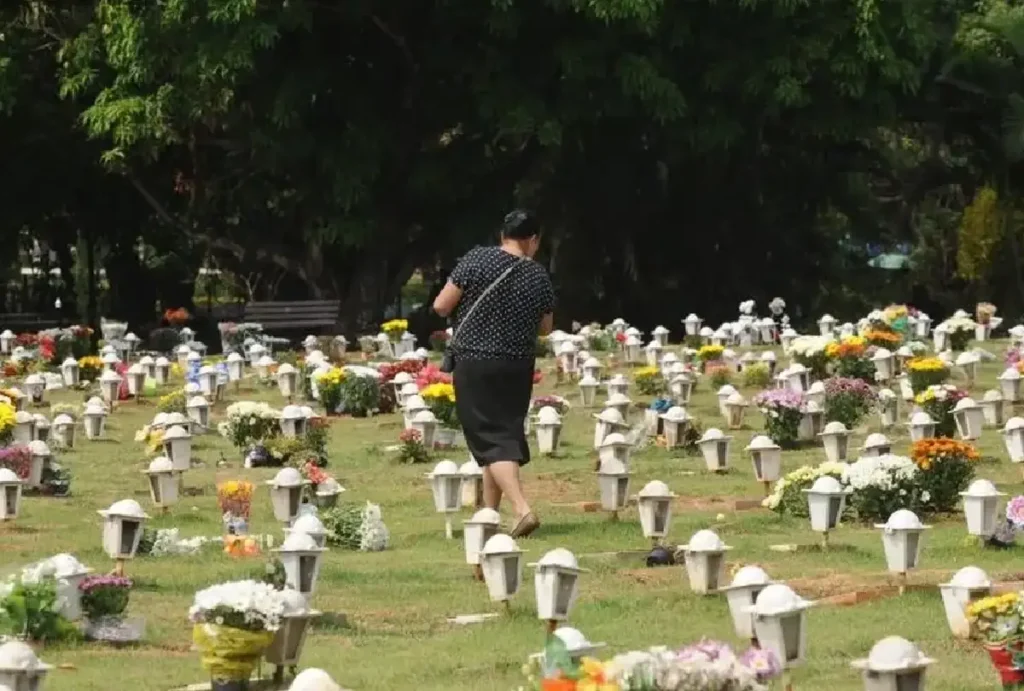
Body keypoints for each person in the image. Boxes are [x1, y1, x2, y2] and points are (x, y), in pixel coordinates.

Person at [432, 209, 554, 538]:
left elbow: (441, 306)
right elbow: (545, 328)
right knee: (502, 434)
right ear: (532, 240)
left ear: (503, 235)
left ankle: (522, 508)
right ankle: (489, 514)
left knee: (490, 439)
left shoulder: (477, 259)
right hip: (516, 365)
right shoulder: (538, 275)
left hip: (476, 361)